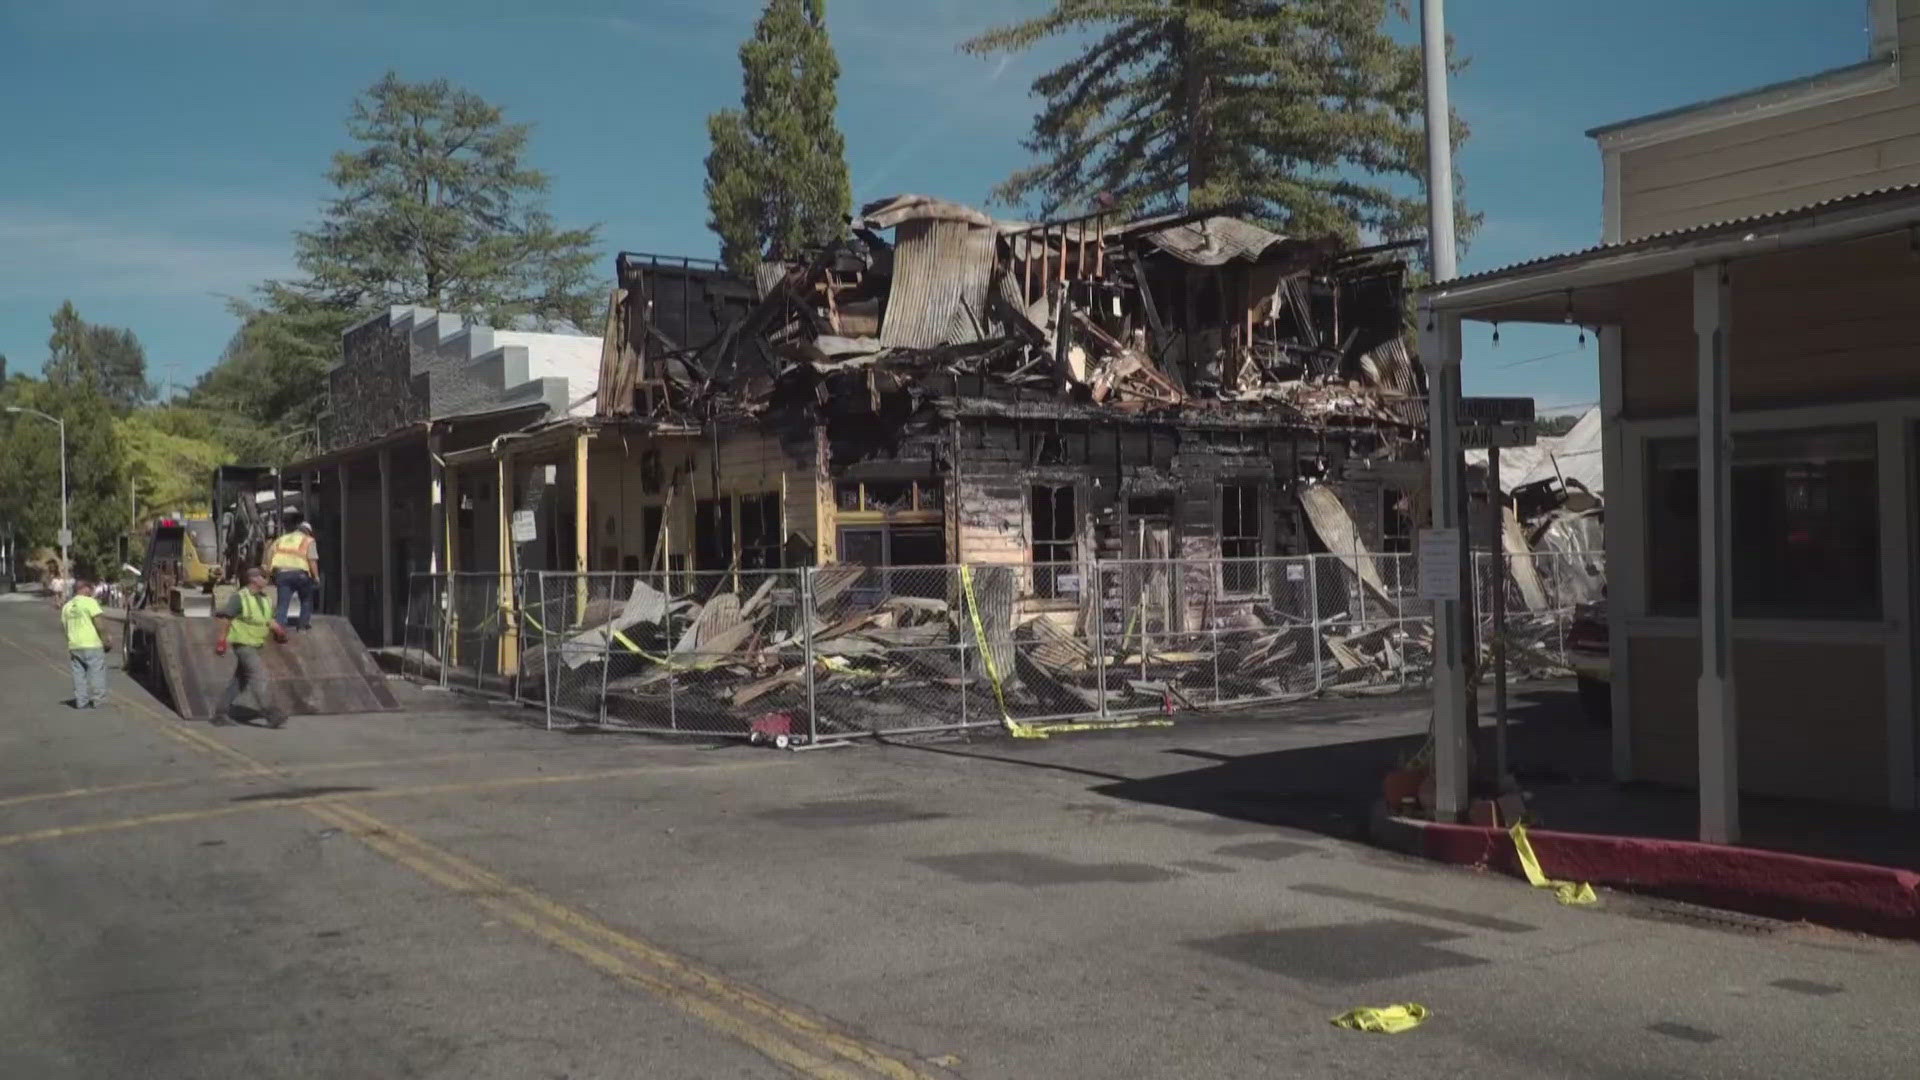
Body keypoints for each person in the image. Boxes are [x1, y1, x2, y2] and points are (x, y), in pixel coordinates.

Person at [212, 567, 289, 728]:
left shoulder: (265, 599)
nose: (267, 580)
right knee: (259, 675)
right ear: (254, 578)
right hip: (243, 644)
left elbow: (268, 620)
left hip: (256, 644)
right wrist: (221, 641)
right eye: (264, 577)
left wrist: (279, 632)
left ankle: (220, 714)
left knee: (238, 681)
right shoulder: (239, 598)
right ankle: (271, 713)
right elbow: (226, 620)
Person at [61, 579, 114, 708]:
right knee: (96, 673)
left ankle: (81, 701)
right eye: (90, 589)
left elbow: (65, 627)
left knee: (78, 675)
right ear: (84, 588)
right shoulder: (90, 602)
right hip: (92, 644)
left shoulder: (67, 607)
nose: (91, 591)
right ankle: (99, 701)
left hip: (75, 645)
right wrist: (105, 639)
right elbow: (99, 623)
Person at [268, 515, 320, 631]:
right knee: (306, 598)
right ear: (308, 532)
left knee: (283, 603)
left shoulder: (282, 539)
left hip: (282, 574)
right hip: (300, 574)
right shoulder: (308, 540)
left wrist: (269, 572)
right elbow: (312, 560)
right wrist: (316, 577)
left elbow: (270, 552)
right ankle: (303, 625)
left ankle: (280, 626)